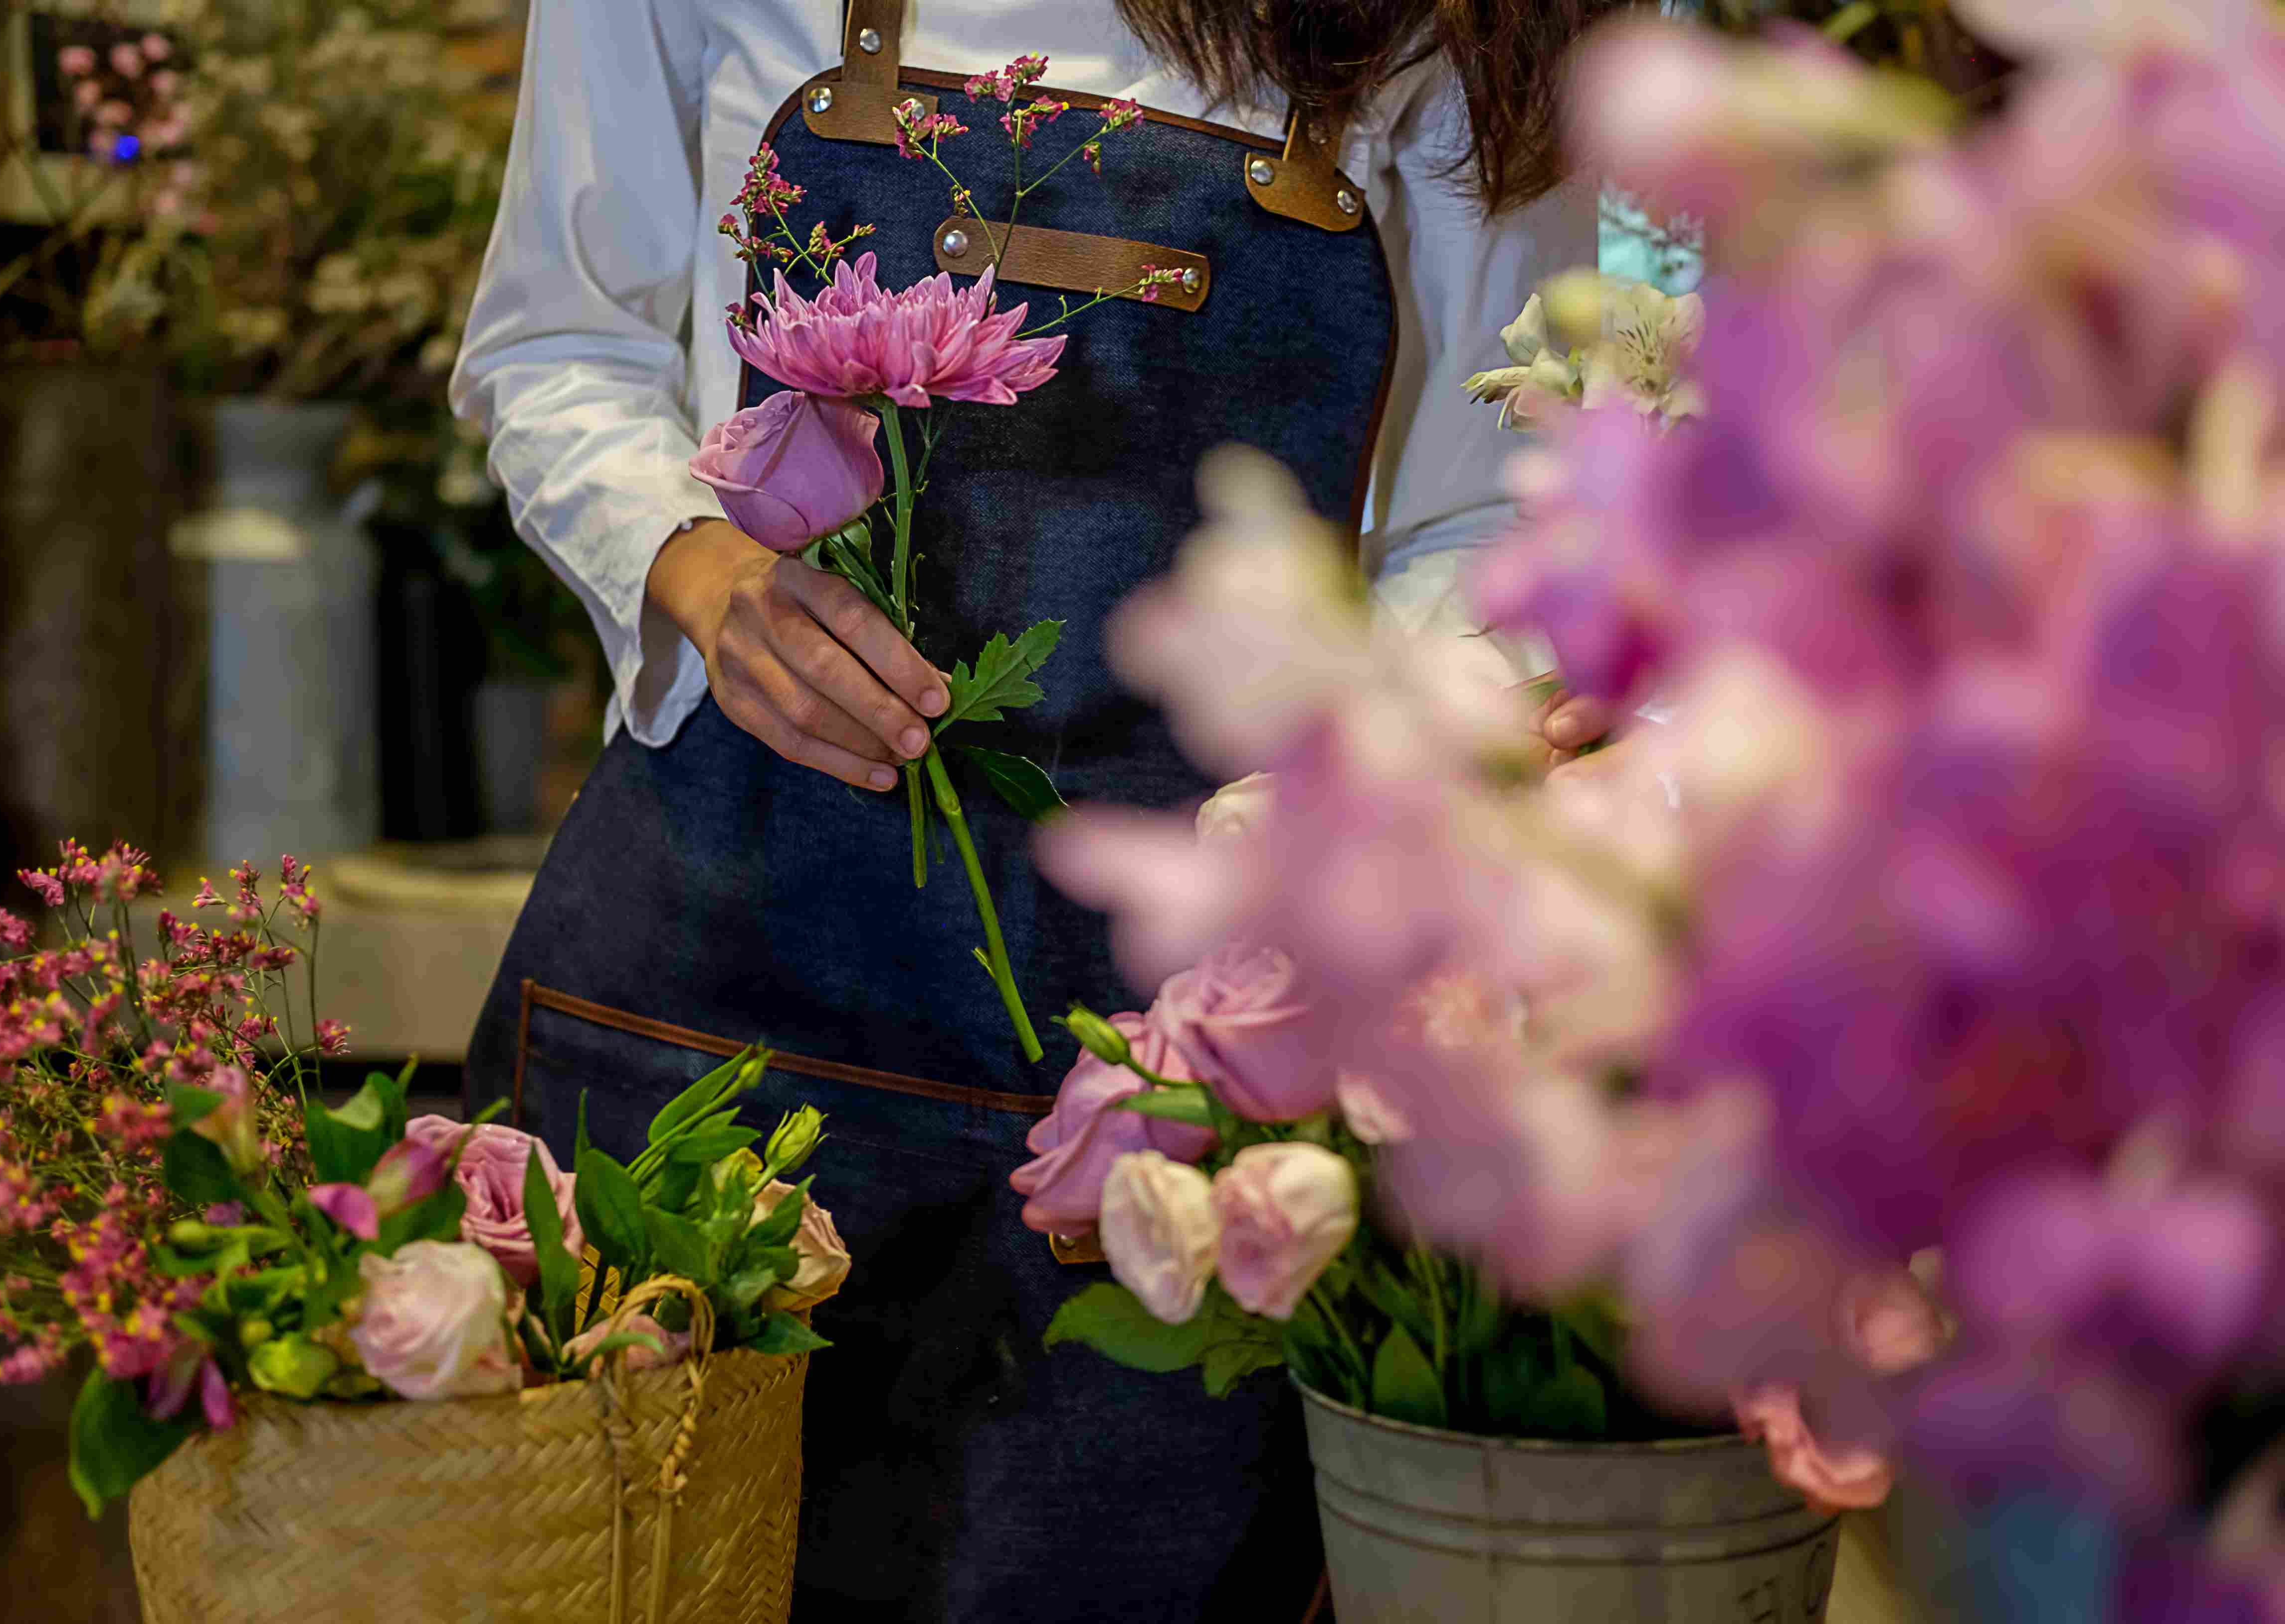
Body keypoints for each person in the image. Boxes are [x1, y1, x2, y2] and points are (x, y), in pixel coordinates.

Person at [453, 2, 1616, 1619]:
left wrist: (1387, 767)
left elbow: (1482, 517)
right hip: (704, 1009)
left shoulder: (1464, 23)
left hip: (1165, 1103)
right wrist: (703, 576)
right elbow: (562, 338)